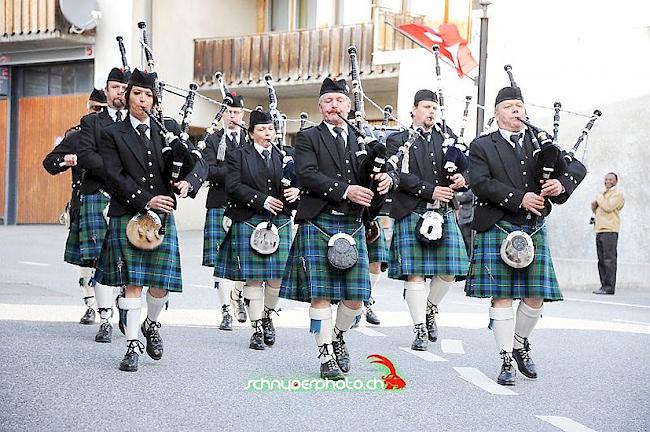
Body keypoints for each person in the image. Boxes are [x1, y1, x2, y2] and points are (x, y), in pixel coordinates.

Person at [280, 77, 395, 379]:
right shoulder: (308, 137)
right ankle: (325, 354)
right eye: (328, 101)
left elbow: (380, 170)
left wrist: (386, 181)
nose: (334, 106)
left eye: (339, 101)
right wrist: (346, 191)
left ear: (348, 105)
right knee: (320, 295)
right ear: (320, 107)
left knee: (355, 298)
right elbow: (306, 174)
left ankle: (338, 335)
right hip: (319, 220)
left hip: (352, 223)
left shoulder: (362, 140)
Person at [94, 69, 204, 372]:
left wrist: (188, 183)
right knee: (133, 284)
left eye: (148, 95)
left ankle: (151, 324)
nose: (142, 100)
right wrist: (146, 200)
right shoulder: (113, 134)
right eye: (137, 94)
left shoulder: (168, 129)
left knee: (160, 287)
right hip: (129, 213)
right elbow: (113, 177)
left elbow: (199, 163)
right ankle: (132, 345)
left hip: (162, 218)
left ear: (155, 100)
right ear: (128, 96)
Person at [465, 86, 572, 386]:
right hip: (498, 224)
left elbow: (575, 168)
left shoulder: (541, 144)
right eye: (509, 106)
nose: (516, 111)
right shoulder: (482, 145)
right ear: (496, 112)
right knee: (502, 296)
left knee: (535, 296)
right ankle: (505, 359)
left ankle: (519, 343)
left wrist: (561, 186)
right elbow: (480, 183)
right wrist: (519, 198)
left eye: (520, 106)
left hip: (532, 226)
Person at [386, 89, 470, 351]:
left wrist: (462, 178)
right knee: (416, 274)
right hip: (412, 208)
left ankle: (429, 308)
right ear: (413, 110)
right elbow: (398, 173)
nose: (431, 111)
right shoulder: (399, 139)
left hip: (442, 210)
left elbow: (465, 163)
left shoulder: (448, 137)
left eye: (434, 107)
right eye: (425, 107)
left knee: (449, 271)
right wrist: (429, 190)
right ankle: (420, 328)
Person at [214, 110, 299, 350]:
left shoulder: (286, 156)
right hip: (249, 218)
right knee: (253, 279)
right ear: (251, 134)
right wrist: (261, 200)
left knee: (276, 280)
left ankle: (268, 316)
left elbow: (298, 182)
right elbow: (233, 186)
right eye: (261, 130)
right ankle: (257, 328)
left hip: (278, 221)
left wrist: (296, 193)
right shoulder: (238, 156)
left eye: (270, 129)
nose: (267, 133)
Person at [42, 88, 107, 325]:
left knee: (111, 257)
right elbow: (49, 163)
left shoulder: (115, 133)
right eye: (94, 108)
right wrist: (64, 160)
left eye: (101, 109)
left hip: (113, 204)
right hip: (83, 204)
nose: (97, 113)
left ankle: (111, 305)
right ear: (87, 108)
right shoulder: (76, 136)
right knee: (86, 260)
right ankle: (90, 304)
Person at [76, 68, 130, 342]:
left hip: (129, 198)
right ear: (106, 91)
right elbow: (86, 155)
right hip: (99, 192)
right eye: (115, 87)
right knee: (100, 259)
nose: (119, 92)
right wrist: (116, 176)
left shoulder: (138, 123)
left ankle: (125, 306)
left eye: (124, 87)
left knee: (126, 259)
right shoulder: (91, 122)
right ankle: (105, 318)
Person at [201, 92, 249, 330]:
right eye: (229, 112)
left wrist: (229, 173)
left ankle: (238, 297)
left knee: (244, 259)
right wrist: (239, 175)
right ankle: (226, 311)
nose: (233, 116)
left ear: (242, 114)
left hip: (244, 205)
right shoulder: (212, 140)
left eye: (237, 112)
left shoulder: (250, 139)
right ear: (222, 114)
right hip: (219, 202)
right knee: (221, 261)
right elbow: (209, 170)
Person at [591, 172, 624, 295]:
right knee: (601, 260)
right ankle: (603, 285)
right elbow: (599, 210)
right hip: (599, 229)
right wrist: (594, 206)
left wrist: (599, 197)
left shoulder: (617, 194)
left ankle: (609, 287)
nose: (607, 181)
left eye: (610, 179)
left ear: (616, 181)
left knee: (609, 259)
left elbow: (608, 207)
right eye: (606, 179)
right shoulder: (605, 194)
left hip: (610, 230)